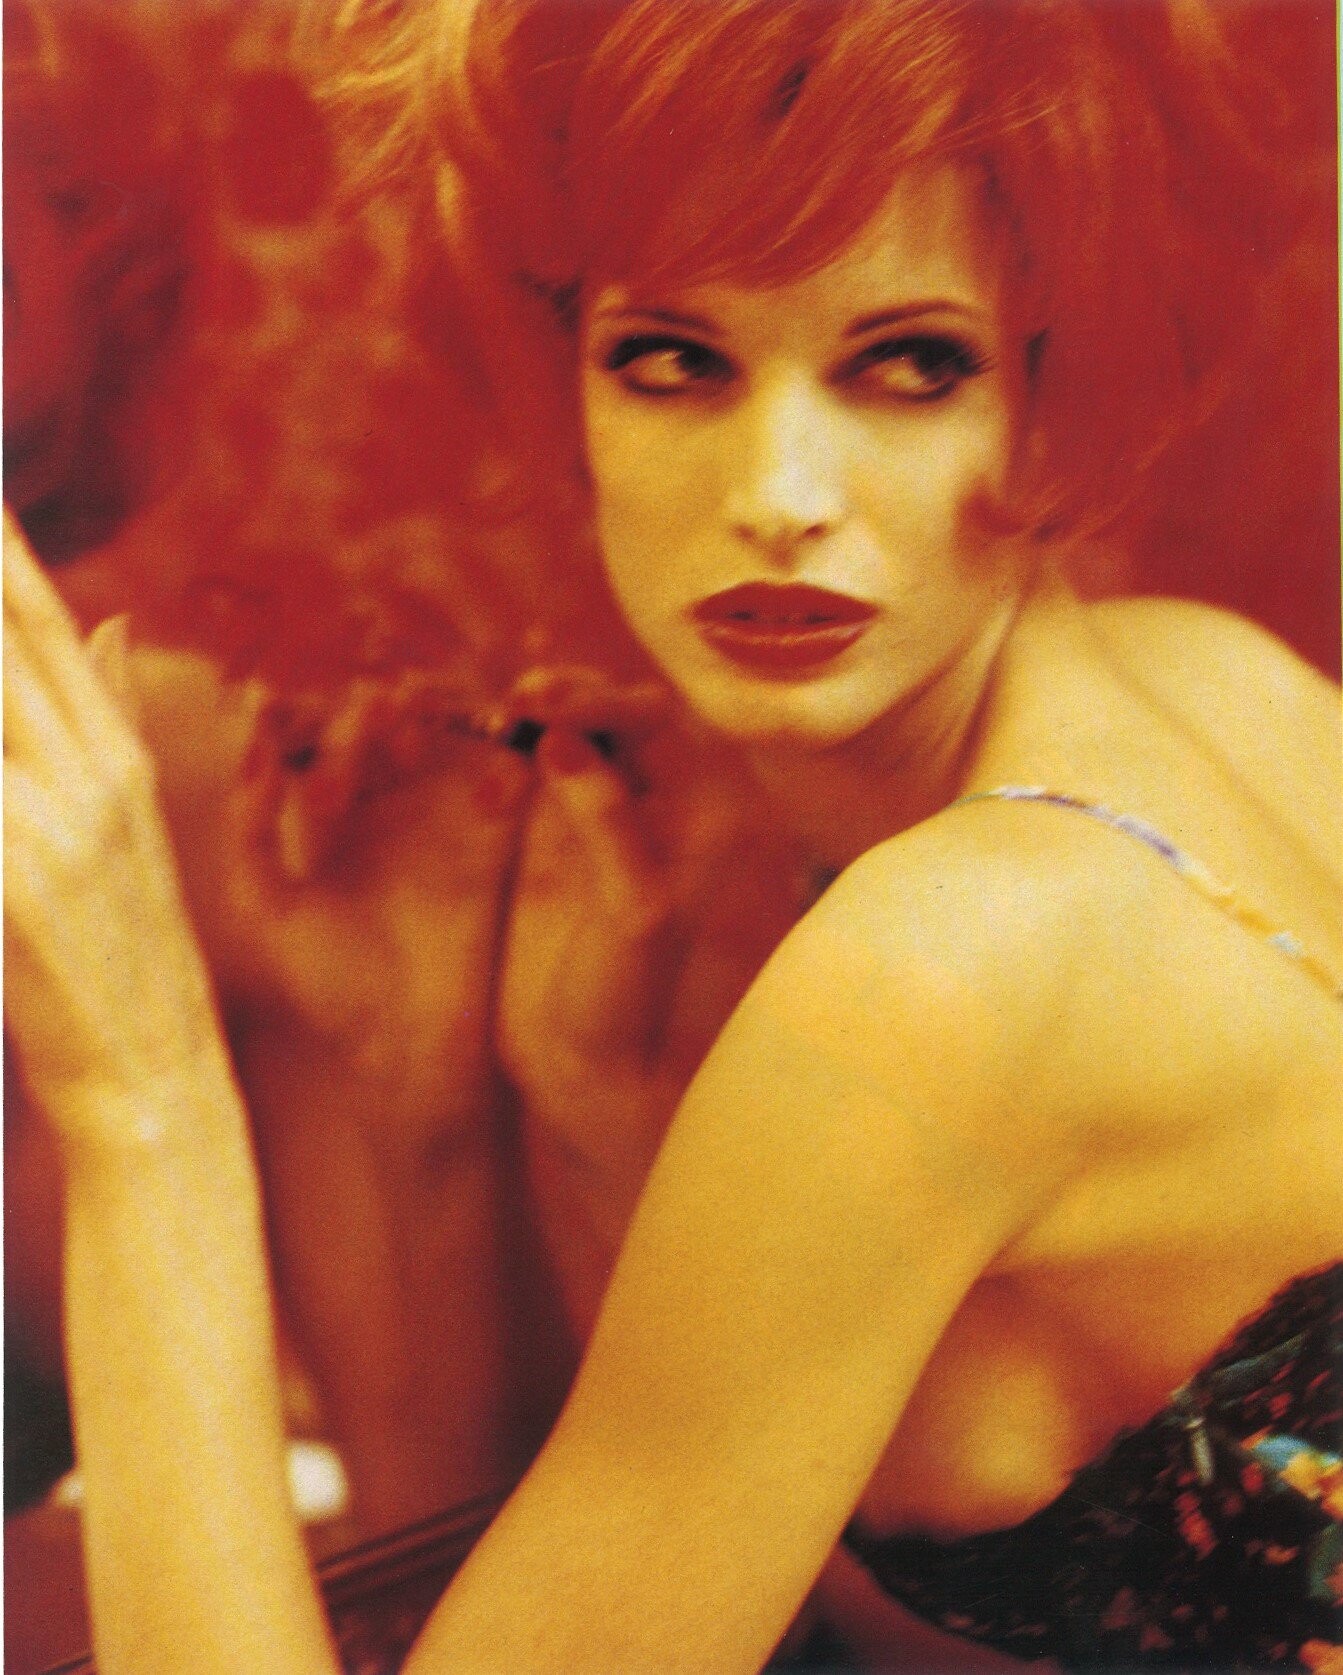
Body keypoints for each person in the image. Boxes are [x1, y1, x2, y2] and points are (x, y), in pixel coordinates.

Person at [5, 2, 1340, 1672]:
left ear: (1052, 388)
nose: (779, 489)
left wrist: (143, 1095)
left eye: (907, 365)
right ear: (564, 381)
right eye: (674, 361)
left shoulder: (945, 976)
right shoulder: (1215, 683)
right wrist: (601, 1120)